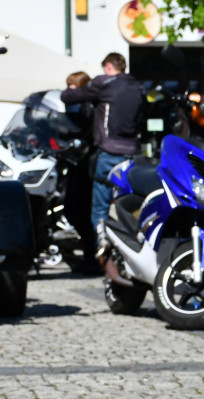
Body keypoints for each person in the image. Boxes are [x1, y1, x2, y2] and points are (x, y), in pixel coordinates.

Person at [60, 53, 144, 256]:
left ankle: (101, 253)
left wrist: (72, 92)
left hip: (109, 151)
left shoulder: (105, 83)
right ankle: (132, 248)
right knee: (130, 206)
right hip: (132, 154)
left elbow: (68, 97)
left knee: (100, 208)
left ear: (108, 66)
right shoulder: (137, 87)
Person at [61, 71, 97, 274]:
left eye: (72, 85)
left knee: (80, 210)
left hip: (85, 163)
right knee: (76, 210)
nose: (69, 90)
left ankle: (91, 257)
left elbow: (81, 129)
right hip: (78, 161)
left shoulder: (85, 105)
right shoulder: (79, 105)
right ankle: (89, 255)